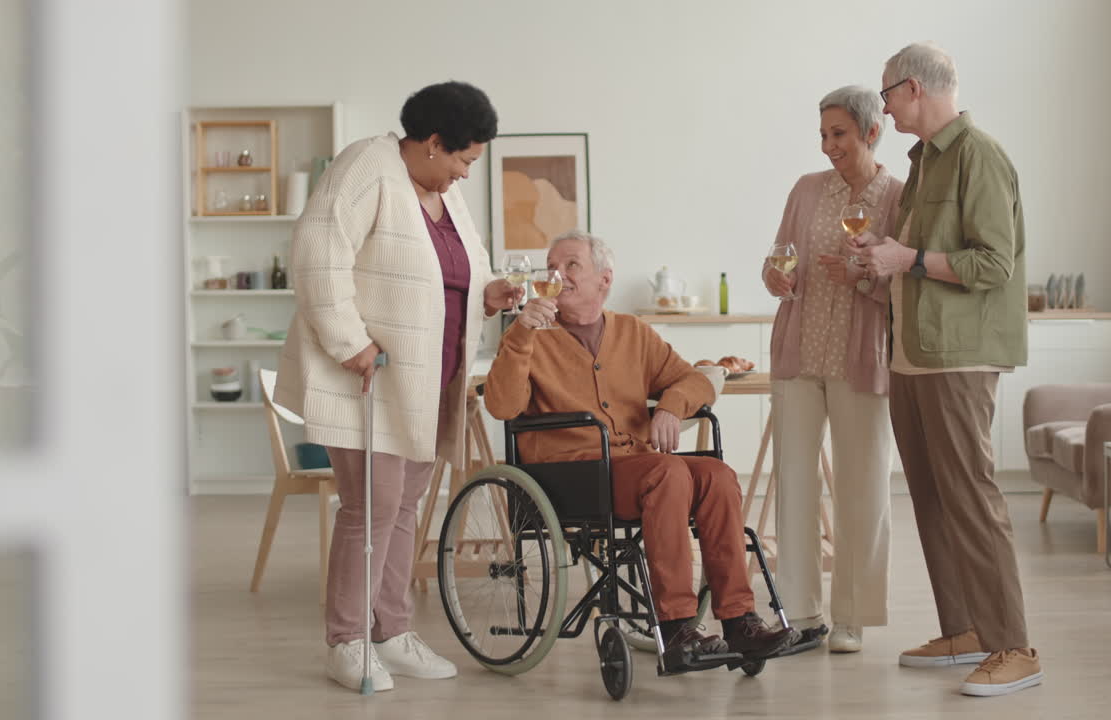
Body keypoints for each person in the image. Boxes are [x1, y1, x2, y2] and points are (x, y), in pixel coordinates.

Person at [274, 81, 523, 692]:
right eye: (464, 159)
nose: (466, 173)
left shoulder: (444, 194)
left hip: (425, 380)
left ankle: (392, 631)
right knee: (372, 508)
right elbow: (316, 254)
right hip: (369, 376)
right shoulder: (368, 166)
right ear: (434, 142)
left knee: (405, 507)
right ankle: (347, 641)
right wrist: (348, 341)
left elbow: (464, 271)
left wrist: (491, 291)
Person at [484, 230, 794, 669]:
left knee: (717, 475)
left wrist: (669, 407)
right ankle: (677, 625)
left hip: (633, 469)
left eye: (571, 265)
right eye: (551, 267)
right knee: (667, 472)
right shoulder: (529, 336)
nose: (557, 275)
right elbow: (502, 406)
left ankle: (740, 620)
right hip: (569, 474)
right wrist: (520, 334)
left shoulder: (632, 332)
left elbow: (695, 379)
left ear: (604, 279)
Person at [852, 43, 1041, 696]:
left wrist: (907, 259)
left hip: (960, 356)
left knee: (972, 497)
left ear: (913, 88)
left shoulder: (979, 156)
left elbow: (994, 263)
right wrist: (885, 256)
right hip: (914, 352)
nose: (884, 108)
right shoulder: (924, 162)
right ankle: (965, 629)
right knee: (933, 498)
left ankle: (1015, 646)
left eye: (886, 94)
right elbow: (919, 257)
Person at [762, 85, 903, 654]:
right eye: (823, 134)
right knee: (794, 484)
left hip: (861, 359)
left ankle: (852, 617)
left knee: (863, 488)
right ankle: (799, 612)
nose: (828, 146)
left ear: (871, 131)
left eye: (838, 133)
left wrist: (864, 279)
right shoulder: (805, 190)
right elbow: (777, 258)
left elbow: (908, 283)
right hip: (799, 354)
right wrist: (774, 276)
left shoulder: (900, 197)